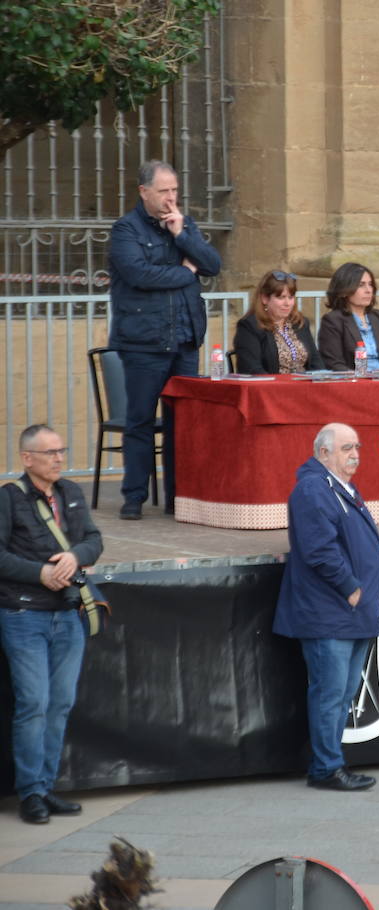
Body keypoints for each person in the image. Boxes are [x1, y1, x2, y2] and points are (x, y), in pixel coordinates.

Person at [273, 423, 379, 791]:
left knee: (342, 694)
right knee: (330, 693)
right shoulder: (313, 489)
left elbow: (363, 529)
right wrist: (350, 587)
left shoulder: (341, 486)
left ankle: (329, 763)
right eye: (346, 448)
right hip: (332, 611)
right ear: (323, 453)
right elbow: (318, 549)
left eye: (357, 446)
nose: (355, 454)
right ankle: (326, 768)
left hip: (353, 612)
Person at [108, 160, 222, 520]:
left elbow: (213, 264)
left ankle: (178, 497)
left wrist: (183, 235)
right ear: (144, 192)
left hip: (185, 340)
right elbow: (139, 274)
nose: (171, 198)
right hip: (144, 343)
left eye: (174, 190)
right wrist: (186, 271)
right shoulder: (125, 229)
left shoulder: (184, 225)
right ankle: (134, 498)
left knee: (182, 424)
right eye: (163, 191)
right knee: (140, 420)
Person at [1, 425, 102, 824]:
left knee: (60, 704)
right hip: (24, 614)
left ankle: (46, 786)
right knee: (34, 704)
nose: (59, 458)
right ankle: (30, 793)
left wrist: (76, 556)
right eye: (50, 453)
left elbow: (94, 540)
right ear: (28, 459)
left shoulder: (72, 494)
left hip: (68, 615)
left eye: (62, 450)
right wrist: (39, 573)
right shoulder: (9, 498)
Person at [231, 270, 325, 374]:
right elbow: (251, 368)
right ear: (264, 299)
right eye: (281, 297)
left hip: (304, 387)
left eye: (291, 297)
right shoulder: (249, 326)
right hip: (270, 387)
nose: (287, 303)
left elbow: (316, 361)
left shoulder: (299, 322)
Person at [317, 263, 379, 371]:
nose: (368, 290)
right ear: (344, 291)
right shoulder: (333, 321)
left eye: (370, 284)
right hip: (353, 383)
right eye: (361, 285)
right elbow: (334, 364)